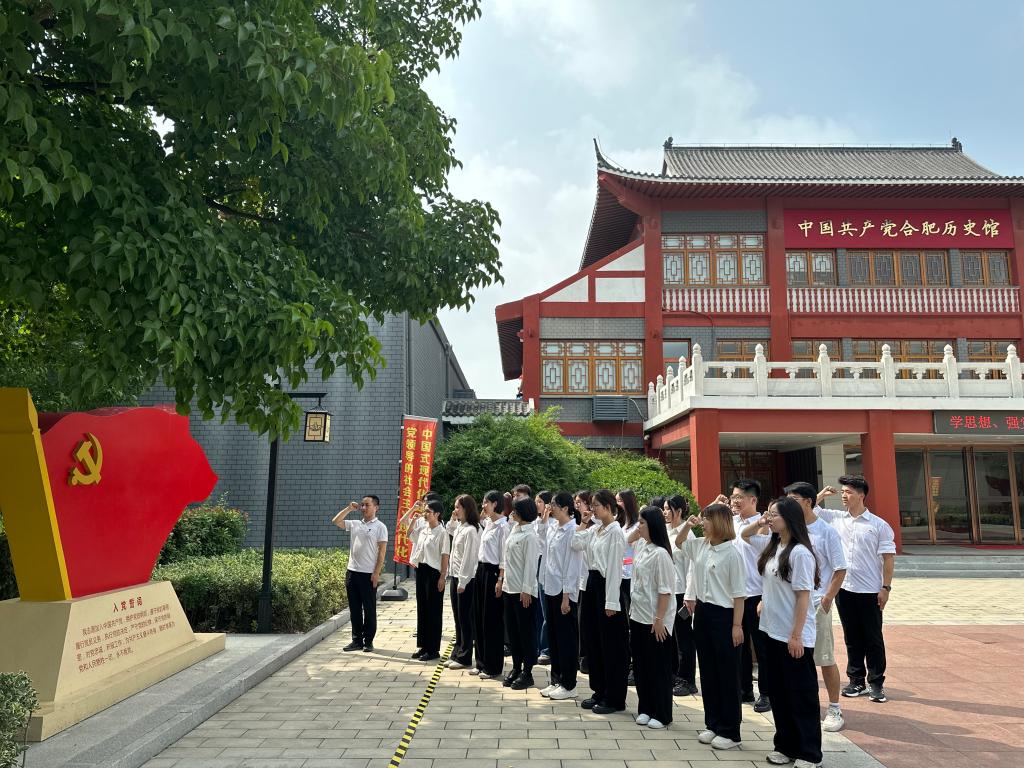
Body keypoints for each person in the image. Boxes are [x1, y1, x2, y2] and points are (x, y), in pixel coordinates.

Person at [755, 496, 823, 768]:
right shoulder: (775, 548)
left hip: (792, 635)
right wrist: (764, 601)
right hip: (771, 630)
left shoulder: (800, 553)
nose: (769, 519)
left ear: (790, 519)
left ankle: (809, 753)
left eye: (775, 515)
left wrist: (796, 635)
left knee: (800, 695)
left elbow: (803, 596)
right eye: (769, 514)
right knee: (780, 693)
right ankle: (785, 746)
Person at [817, 476, 896, 703]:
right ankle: (856, 681)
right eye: (842, 491)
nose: (844, 495)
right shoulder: (835, 519)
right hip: (844, 589)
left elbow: (888, 558)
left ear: (861, 495)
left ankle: (876, 683)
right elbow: (808, 509)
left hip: (870, 591)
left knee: (873, 638)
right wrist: (821, 495)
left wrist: (886, 587)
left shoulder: (878, 525)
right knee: (851, 637)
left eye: (849, 492)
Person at [677, 503, 746, 751]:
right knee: (707, 672)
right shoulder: (701, 545)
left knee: (727, 674)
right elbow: (679, 543)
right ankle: (713, 723)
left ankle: (731, 731)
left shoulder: (732, 554)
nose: (703, 522)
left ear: (719, 522)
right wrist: (687, 525)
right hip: (703, 613)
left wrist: (737, 625)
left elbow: (739, 595)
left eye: (707, 519)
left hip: (725, 616)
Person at [785, 481, 849, 732]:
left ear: (809, 502)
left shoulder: (826, 531)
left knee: (823, 657)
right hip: (790, 602)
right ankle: (800, 704)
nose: (789, 506)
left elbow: (840, 569)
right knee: (794, 656)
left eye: (794, 501)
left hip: (815, 603)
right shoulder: (790, 529)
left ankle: (834, 708)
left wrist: (826, 599)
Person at [577, 489, 629, 715]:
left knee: (611, 645)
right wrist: (583, 522)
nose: (593, 510)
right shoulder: (595, 530)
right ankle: (599, 690)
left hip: (607, 586)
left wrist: (612, 601)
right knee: (594, 641)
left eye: (596, 506)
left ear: (608, 507)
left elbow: (616, 568)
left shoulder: (615, 532)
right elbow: (575, 543)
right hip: (592, 585)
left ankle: (614, 696)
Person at [722, 478, 772, 712]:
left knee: (762, 647)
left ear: (753, 500)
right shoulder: (730, 523)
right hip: (734, 595)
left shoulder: (764, 525)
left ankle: (767, 693)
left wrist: (766, 597)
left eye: (739, 497)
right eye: (733, 497)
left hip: (757, 594)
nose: (735, 501)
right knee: (737, 644)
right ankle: (743, 689)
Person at [627, 506, 677, 729]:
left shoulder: (661, 554)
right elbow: (626, 541)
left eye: (642, 522)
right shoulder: (641, 546)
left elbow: (665, 590)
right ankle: (645, 708)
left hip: (655, 619)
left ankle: (662, 713)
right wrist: (638, 532)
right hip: (638, 614)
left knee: (658, 667)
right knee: (641, 666)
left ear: (653, 525)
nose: (638, 526)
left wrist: (659, 619)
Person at [539, 491, 585, 701]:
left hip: (564, 591)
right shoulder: (553, 528)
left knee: (566, 639)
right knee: (554, 637)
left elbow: (572, 566)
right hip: (550, 587)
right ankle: (556, 680)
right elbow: (545, 552)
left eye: (554, 505)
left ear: (566, 508)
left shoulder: (572, 531)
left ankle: (569, 684)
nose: (551, 508)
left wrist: (567, 596)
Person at [332, 495, 388, 652]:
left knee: (369, 609)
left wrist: (376, 573)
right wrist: (349, 509)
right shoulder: (355, 524)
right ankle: (356, 640)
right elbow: (336, 521)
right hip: (352, 572)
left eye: (367, 505)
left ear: (376, 507)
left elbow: (382, 552)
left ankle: (368, 641)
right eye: (362, 505)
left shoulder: (380, 527)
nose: (363, 508)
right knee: (355, 609)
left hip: (368, 574)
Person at [498, 496, 540, 690]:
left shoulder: (530, 536)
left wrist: (526, 590)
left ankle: (527, 671)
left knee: (526, 633)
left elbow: (531, 565)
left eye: (515, 510)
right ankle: (516, 667)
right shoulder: (514, 529)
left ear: (522, 513)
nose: (512, 513)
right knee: (513, 632)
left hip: (523, 592)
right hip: (509, 588)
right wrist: (502, 580)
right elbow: (506, 558)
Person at [473, 490, 509, 679]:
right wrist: (486, 512)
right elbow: (479, 517)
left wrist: (500, 579)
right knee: (479, 617)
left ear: (495, 504)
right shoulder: (488, 523)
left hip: (494, 572)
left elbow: (504, 557)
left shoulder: (503, 527)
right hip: (481, 570)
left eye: (486, 502)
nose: (483, 506)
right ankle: (480, 662)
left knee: (491, 620)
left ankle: (492, 666)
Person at [664, 494, 697, 697]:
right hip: (666, 591)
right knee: (670, 636)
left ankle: (687, 679)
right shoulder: (665, 531)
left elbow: (692, 568)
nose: (665, 512)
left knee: (684, 637)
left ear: (678, 511)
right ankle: (674, 674)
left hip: (681, 592)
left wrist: (689, 595)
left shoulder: (687, 534)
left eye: (668, 508)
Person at [409, 500, 449, 661]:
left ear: (437, 514)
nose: (425, 514)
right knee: (422, 609)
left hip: (434, 573)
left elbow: (445, 555)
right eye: (424, 511)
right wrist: (413, 520)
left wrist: (442, 576)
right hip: (421, 570)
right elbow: (409, 535)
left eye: (428, 512)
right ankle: (423, 646)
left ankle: (433, 650)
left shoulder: (442, 532)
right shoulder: (424, 529)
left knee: (433, 611)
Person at [445, 494, 481, 670]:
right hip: (455, 576)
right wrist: (453, 518)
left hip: (465, 579)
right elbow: (449, 528)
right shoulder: (460, 527)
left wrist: (463, 581)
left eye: (458, 507)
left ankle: (465, 656)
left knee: (465, 618)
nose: (455, 510)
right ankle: (457, 651)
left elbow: (469, 558)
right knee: (457, 617)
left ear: (467, 509)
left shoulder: (471, 530)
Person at [574, 490, 595, 675]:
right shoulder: (583, 523)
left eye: (580, 502)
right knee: (581, 621)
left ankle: (588, 658)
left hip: (594, 580)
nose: (577, 505)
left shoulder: (599, 527)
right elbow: (575, 543)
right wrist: (583, 522)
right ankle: (582, 657)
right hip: (581, 579)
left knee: (589, 622)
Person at [534, 490, 556, 665]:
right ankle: (538, 645)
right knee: (538, 610)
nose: (537, 505)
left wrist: (546, 519)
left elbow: (543, 539)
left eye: (540, 502)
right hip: (537, 564)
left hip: (547, 564)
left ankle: (546, 649)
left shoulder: (554, 523)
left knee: (546, 611)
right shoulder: (535, 521)